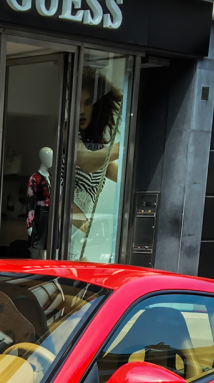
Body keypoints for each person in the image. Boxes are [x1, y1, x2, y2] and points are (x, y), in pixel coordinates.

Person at [69, 70, 122, 262]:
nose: (81, 111)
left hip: (81, 238)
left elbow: (122, 177)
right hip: (63, 233)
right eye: (77, 103)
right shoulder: (67, 135)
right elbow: (85, 162)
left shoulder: (96, 147)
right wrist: (124, 146)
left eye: (88, 102)